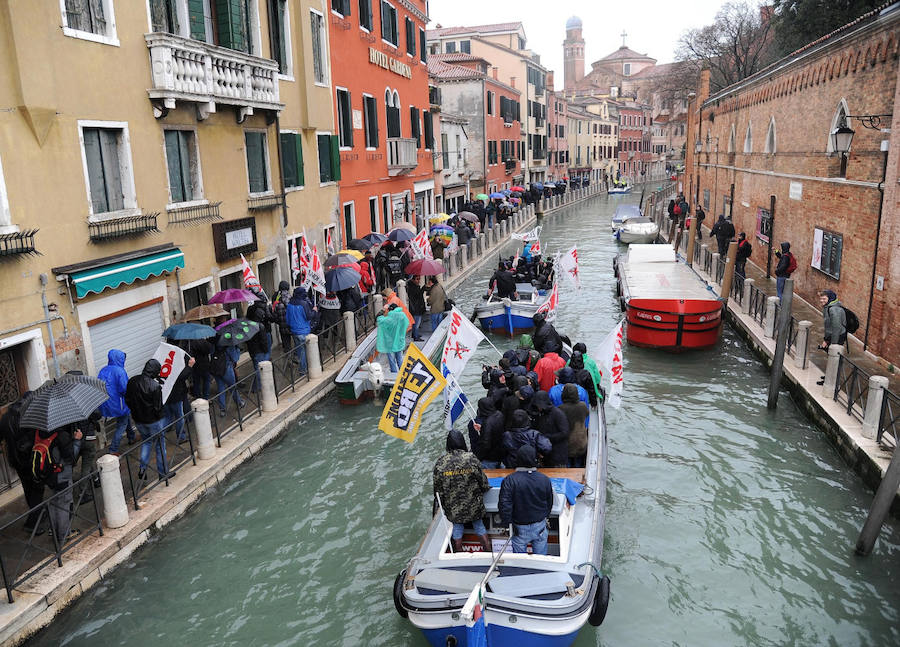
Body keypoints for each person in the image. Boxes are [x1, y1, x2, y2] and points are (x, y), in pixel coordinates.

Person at [433, 429, 491, 553]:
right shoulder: (470, 458)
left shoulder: (441, 463)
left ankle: (458, 553)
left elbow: (438, 491)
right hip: (474, 506)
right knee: (480, 527)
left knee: (457, 530)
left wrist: (445, 506)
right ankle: (488, 552)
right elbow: (483, 482)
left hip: (454, 508)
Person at [0, 392, 45, 533]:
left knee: (28, 488)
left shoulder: (5, 418)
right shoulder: (28, 417)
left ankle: (36, 513)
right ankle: (33, 523)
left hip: (15, 460)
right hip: (30, 458)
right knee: (37, 487)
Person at [125, 359, 174, 481]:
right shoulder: (155, 386)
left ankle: (142, 468)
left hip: (138, 420)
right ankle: (163, 473)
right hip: (153, 422)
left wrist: (135, 412)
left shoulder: (132, 381)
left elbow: (128, 401)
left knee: (146, 442)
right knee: (159, 445)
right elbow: (158, 408)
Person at [498, 445, 554, 555]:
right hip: (540, 525)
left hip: (519, 528)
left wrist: (507, 524)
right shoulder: (544, 479)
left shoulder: (509, 480)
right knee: (541, 560)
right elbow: (549, 502)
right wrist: (545, 516)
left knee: (520, 562)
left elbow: (504, 505)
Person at [36, 420, 82, 543]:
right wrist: (77, 440)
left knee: (54, 502)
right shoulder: (61, 435)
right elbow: (70, 458)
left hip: (49, 476)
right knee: (63, 504)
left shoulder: (40, 433)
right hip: (61, 476)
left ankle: (54, 531)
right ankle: (64, 535)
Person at [97, 349, 134, 455]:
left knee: (125, 418)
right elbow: (124, 389)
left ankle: (131, 436)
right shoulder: (120, 371)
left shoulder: (103, 370)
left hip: (106, 403)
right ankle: (113, 449)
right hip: (119, 403)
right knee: (121, 424)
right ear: (120, 359)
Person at [162, 348, 195, 444]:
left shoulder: (163, 366)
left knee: (167, 417)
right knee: (180, 417)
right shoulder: (174, 367)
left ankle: (161, 434)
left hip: (166, 396)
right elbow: (181, 376)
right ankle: (181, 437)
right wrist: (190, 366)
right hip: (176, 397)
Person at [529, 391, 570, 468]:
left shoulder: (558, 414)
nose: (538, 408)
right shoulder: (540, 414)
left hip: (558, 454)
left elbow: (565, 432)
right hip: (546, 454)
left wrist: (547, 437)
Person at [816, 290, 847, 386]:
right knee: (830, 357)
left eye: (824, 299)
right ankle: (828, 377)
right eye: (821, 299)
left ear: (830, 298)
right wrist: (826, 340)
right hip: (832, 335)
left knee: (833, 357)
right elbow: (829, 327)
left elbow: (836, 328)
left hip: (837, 336)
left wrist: (833, 344)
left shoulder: (834, 309)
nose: (821, 301)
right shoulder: (828, 307)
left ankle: (830, 381)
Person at [468, 396, 505, 468]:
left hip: (490, 458)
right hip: (500, 452)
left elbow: (485, 444)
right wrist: (482, 429)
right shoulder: (499, 414)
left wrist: (478, 457)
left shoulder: (487, 423)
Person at [558, 384, 589, 468]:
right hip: (581, 444)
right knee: (578, 463)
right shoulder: (583, 406)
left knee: (567, 464)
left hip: (567, 447)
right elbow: (586, 414)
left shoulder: (561, 409)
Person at [286, 287, 315, 373]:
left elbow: (287, 319)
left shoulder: (289, 304)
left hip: (294, 331)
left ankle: (303, 369)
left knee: (300, 352)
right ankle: (304, 369)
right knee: (306, 351)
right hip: (304, 331)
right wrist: (314, 311)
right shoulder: (304, 304)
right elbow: (309, 316)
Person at [377, 304, 409, 372]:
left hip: (390, 343)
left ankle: (394, 374)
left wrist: (383, 310)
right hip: (400, 341)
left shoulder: (390, 318)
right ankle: (403, 373)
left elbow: (378, 319)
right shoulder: (403, 316)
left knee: (392, 360)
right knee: (399, 359)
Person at [272, 280, 294, 352]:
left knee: (286, 345)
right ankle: (296, 357)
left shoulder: (275, 297)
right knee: (296, 342)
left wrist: (279, 322)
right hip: (291, 324)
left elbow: (274, 313)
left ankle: (288, 359)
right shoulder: (291, 298)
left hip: (282, 325)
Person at [406, 275, 427, 341]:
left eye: (419, 279)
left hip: (416, 308)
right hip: (416, 308)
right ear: (413, 280)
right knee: (416, 323)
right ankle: (416, 336)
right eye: (417, 279)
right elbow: (418, 296)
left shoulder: (413, 287)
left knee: (416, 323)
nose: (419, 281)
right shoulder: (413, 288)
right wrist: (423, 289)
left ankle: (415, 334)